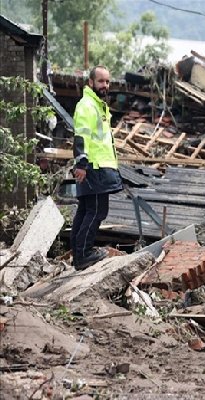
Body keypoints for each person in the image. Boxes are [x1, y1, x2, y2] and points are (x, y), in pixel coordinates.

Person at [70, 65, 123, 270]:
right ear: (90, 82)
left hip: (96, 166)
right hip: (93, 166)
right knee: (97, 211)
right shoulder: (87, 105)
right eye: (101, 81)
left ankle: (79, 255)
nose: (105, 85)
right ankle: (84, 254)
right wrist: (81, 164)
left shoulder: (97, 105)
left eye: (107, 81)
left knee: (86, 210)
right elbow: (81, 135)